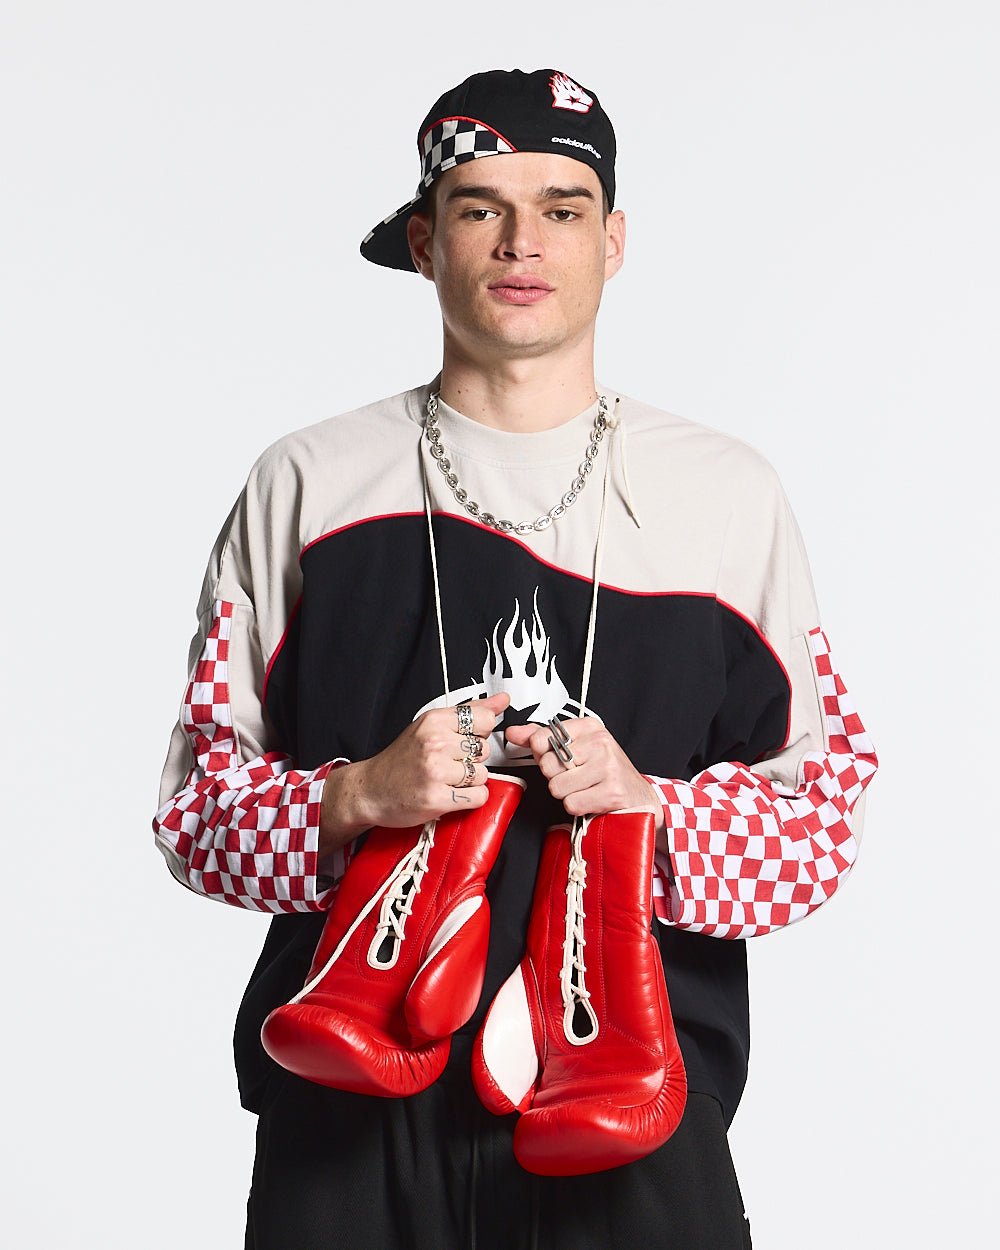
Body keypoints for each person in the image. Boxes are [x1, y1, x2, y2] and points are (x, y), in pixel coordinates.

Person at [154, 67, 877, 1250]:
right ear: (424, 241)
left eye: (562, 207)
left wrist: (649, 807)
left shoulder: (725, 496)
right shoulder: (307, 482)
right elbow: (195, 813)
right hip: (348, 1100)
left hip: (630, 1093)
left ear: (613, 241)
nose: (521, 241)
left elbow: (819, 820)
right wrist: (357, 794)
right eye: (481, 207)